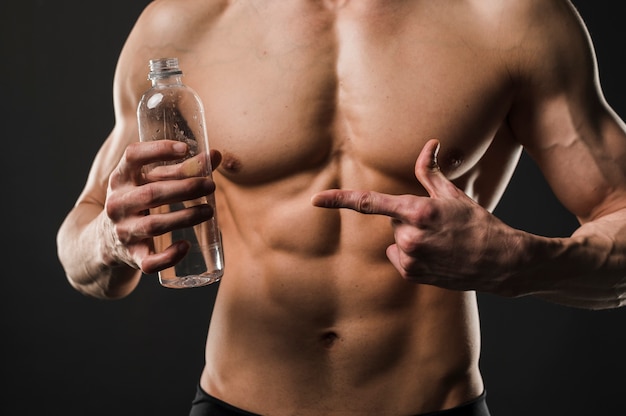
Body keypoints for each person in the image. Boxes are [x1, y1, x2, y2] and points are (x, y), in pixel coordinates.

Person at [56, 0, 626, 414]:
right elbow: (83, 244)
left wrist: (521, 263)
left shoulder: (510, 17)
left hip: (434, 405)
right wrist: (110, 239)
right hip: (236, 403)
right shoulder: (181, 25)